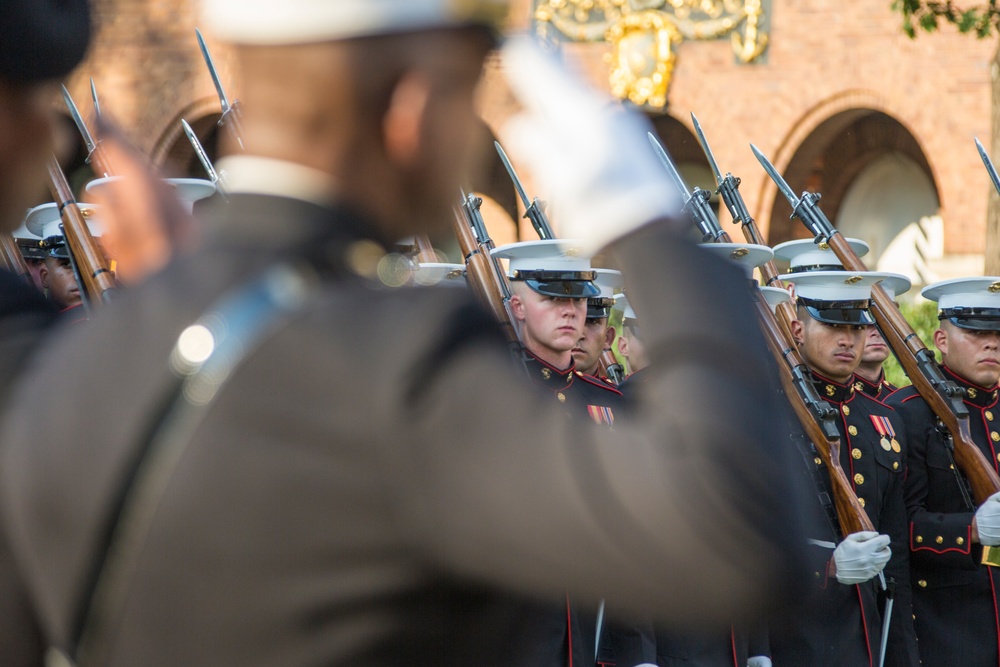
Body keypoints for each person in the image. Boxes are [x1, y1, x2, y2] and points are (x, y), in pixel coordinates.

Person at [0, 4, 813, 666]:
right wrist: (649, 232)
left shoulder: (72, 364)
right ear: (414, 109)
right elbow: (732, 540)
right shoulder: (403, 365)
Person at [771, 266, 919, 667]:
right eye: (833, 324)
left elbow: (897, 552)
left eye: (856, 328)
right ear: (798, 330)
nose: (847, 339)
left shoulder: (883, 418)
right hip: (790, 634)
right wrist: (825, 567)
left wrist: (903, 653)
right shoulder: (769, 411)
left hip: (868, 635)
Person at [887, 277, 1000, 667]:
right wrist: (969, 529)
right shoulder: (905, 413)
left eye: (998, 333)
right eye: (974, 331)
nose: (992, 343)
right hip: (948, 631)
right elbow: (898, 528)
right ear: (941, 339)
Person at [571, 268, 621, 381]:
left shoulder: (616, 397)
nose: (579, 335)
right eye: (572, 318)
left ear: (608, 338)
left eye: (592, 321)